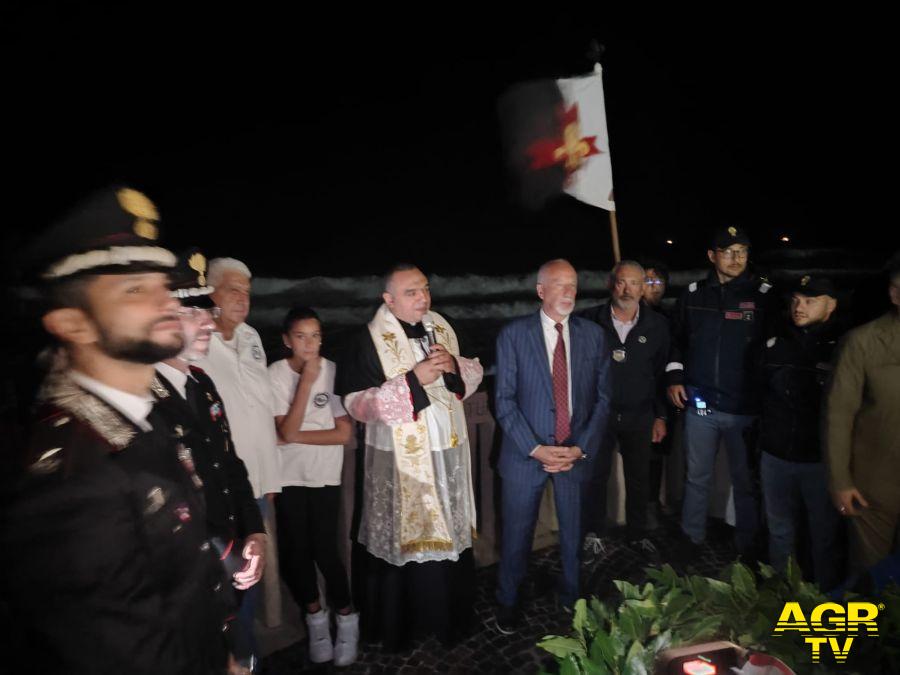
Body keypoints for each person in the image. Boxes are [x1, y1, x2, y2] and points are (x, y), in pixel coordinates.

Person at [4, 187, 229, 673]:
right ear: (73, 324)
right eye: (134, 290)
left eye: (161, 284)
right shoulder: (72, 485)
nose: (165, 299)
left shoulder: (146, 414)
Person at [336, 263, 483, 651]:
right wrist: (413, 380)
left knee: (447, 539)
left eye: (425, 290)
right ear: (388, 299)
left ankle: (449, 621)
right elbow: (356, 404)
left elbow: (473, 372)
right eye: (412, 293)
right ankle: (401, 629)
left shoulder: (443, 327)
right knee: (405, 545)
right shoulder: (366, 340)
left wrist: (454, 366)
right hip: (400, 467)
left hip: (447, 456)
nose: (423, 298)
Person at [154, 249, 266, 673]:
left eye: (206, 310)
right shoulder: (145, 403)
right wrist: (226, 552)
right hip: (195, 580)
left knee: (243, 638)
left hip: (235, 557)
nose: (206, 321)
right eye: (191, 312)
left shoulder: (200, 384)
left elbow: (229, 464)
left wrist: (255, 529)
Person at [494, 259, 611, 634]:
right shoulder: (513, 335)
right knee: (516, 535)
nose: (568, 293)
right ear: (541, 291)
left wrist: (581, 448)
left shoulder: (593, 335)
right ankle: (508, 601)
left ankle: (572, 598)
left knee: (574, 534)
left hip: (575, 454)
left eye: (573, 285)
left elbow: (603, 400)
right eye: (559, 285)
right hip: (524, 455)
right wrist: (536, 448)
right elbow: (504, 402)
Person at [667, 225, 778, 555]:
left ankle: (748, 544)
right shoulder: (693, 294)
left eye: (742, 252)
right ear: (712, 256)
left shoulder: (763, 296)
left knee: (745, 483)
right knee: (696, 477)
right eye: (729, 252)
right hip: (701, 403)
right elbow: (677, 342)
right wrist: (675, 378)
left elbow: (774, 349)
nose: (736, 258)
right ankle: (692, 539)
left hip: (744, 408)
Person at [198, 256, 282, 667]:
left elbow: (261, 411)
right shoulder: (195, 344)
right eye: (233, 289)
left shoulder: (251, 337)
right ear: (208, 292)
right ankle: (238, 659)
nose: (242, 298)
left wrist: (271, 478)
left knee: (248, 580)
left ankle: (246, 659)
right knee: (226, 589)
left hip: (255, 488)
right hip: (219, 490)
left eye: (247, 291)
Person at [268, 306, 358, 666]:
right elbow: (284, 430)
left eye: (316, 336)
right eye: (301, 336)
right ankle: (316, 619)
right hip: (288, 476)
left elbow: (343, 432)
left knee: (326, 551)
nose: (310, 344)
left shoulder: (333, 371)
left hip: (324, 475)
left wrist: (293, 435)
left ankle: (347, 618)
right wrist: (306, 381)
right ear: (287, 340)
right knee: (297, 555)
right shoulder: (275, 374)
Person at [578, 260, 669, 558]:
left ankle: (638, 535)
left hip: (640, 414)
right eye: (621, 282)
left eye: (634, 283)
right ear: (610, 283)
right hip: (599, 416)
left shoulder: (657, 326)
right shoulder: (588, 321)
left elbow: (661, 374)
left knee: (639, 478)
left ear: (643, 288)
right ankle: (594, 533)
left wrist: (660, 415)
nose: (627, 289)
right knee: (595, 477)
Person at [759, 275, 843, 588]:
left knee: (823, 534)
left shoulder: (844, 344)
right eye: (795, 300)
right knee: (780, 532)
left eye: (809, 301)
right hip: (776, 454)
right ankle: (782, 594)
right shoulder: (775, 340)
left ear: (831, 305)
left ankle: (825, 598)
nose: (799, 307)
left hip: (819, 460)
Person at [826, 252, 900, 571]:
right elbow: (839, 415)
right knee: (874, 578)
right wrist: (840, 481)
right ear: (894, 293)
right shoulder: (862, 342)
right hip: (875, 486)